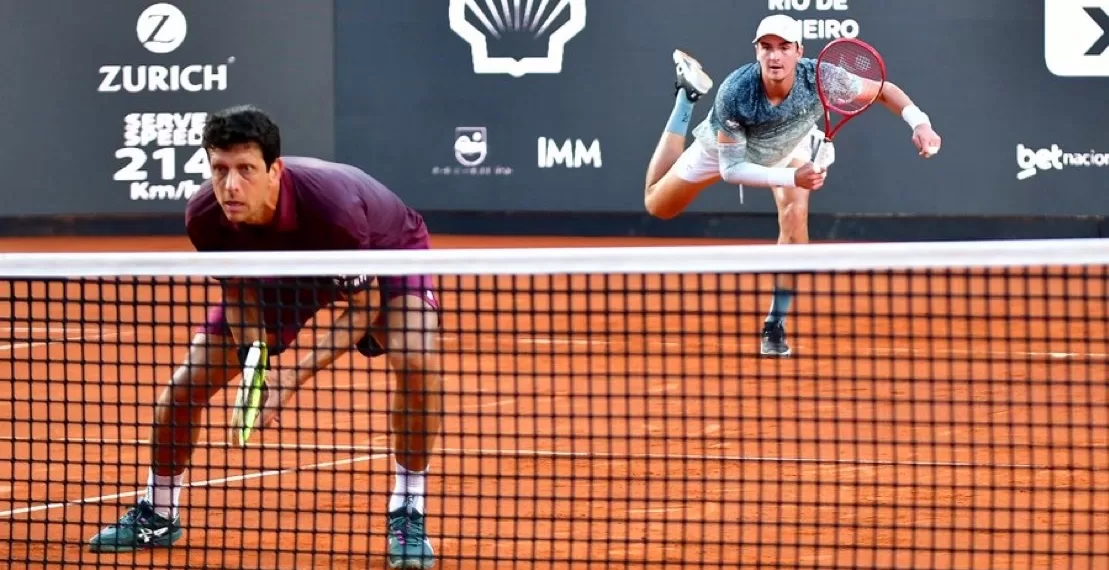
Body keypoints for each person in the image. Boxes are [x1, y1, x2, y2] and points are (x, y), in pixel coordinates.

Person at [87, 104, 441, 569]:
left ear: (274, 170)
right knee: (185, 386)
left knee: (415, 361)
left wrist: (289, 378)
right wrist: (255, 362)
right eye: (220, 169)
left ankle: (408, 509)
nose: (231, 185)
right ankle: (159, 510)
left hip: (384, 249)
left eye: (246, 170)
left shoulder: (332, 210)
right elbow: (239, 292)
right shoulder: (206, 215)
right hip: (280, 271)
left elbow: (363, 306)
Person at [643, 14, 943, 357]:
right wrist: (792, 178)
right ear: (756, 51)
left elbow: (883, 91)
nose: (775, 56)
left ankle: (775, 324)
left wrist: (920, 123)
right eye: (767, 47)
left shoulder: (822, 77)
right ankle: (687, 96)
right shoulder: (736, 92)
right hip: (728, 151)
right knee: (658, 205)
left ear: (799, 51)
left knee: (795, 215)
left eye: (784, 47)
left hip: (791, 145)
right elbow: (732, 170)